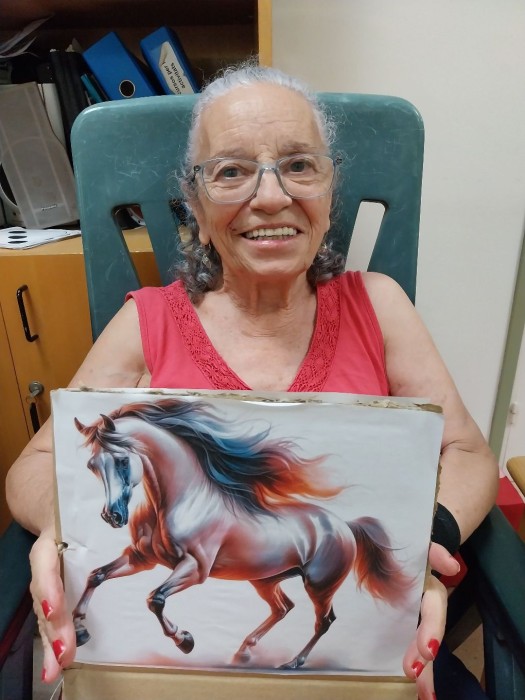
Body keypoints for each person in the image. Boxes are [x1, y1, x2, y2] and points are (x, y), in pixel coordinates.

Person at [6, 62, 498, 699]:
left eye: (299, 165)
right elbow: (36, 464)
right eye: (231, 171)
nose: (270, 197)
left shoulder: (379, 307)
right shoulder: (148, 322)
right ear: (196, 203)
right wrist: (68, 525)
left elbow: (466, 453)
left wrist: (422, 541)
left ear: (329, 191)